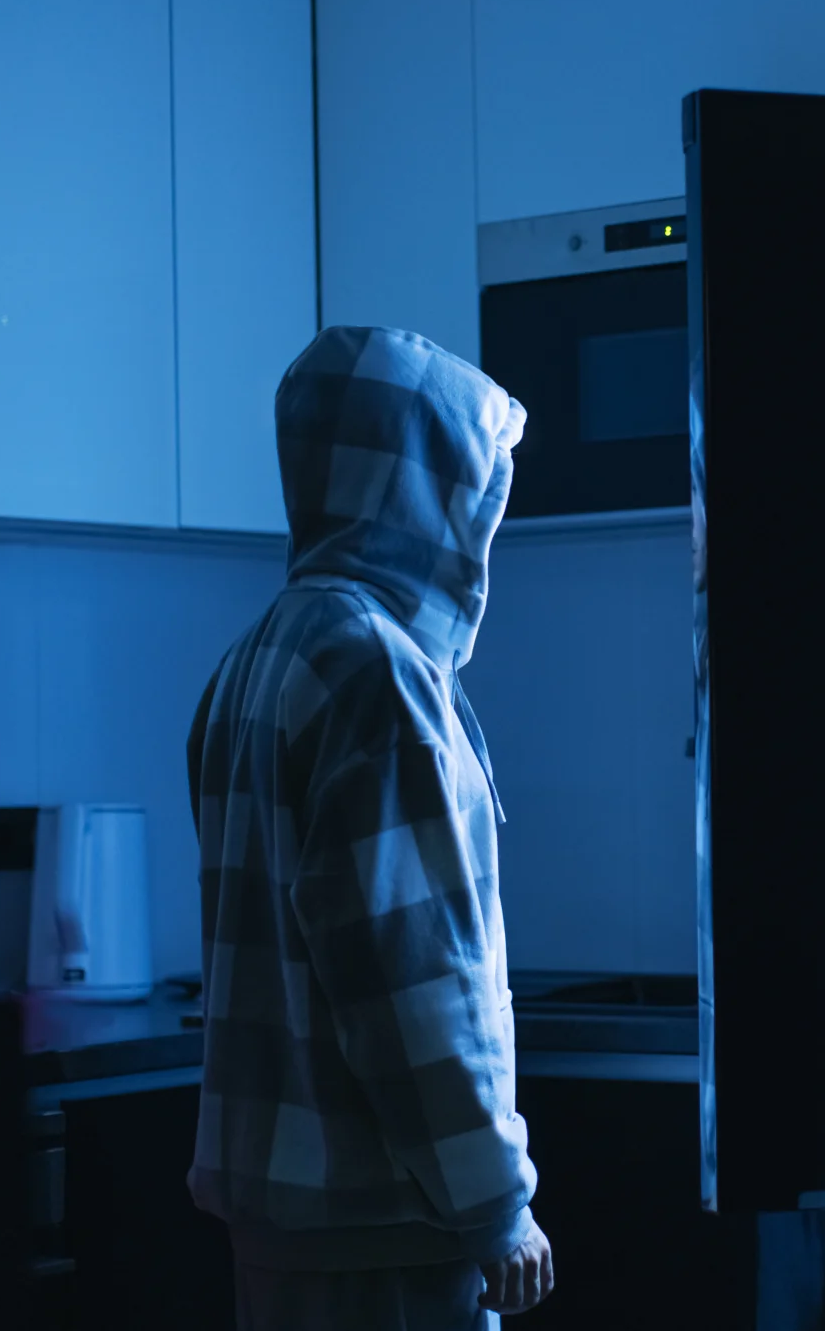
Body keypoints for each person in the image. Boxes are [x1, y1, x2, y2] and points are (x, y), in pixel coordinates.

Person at [184, 326, 553, 1329]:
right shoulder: (377, 671)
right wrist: (495, 1200)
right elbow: (409, 979)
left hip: (281, 1226)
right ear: (424, 488)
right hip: (380, 1229)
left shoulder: (256, 658)